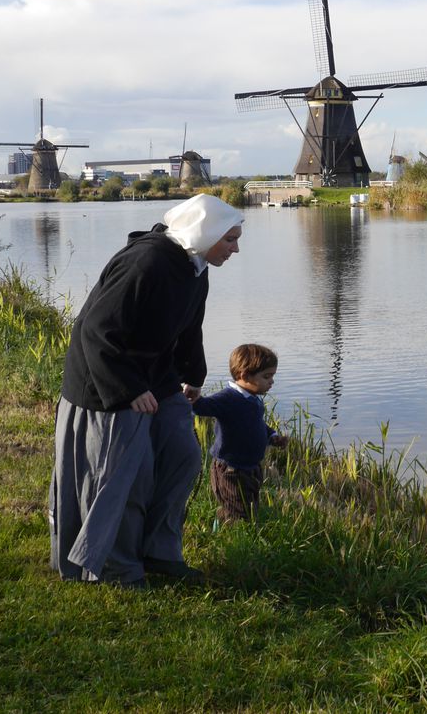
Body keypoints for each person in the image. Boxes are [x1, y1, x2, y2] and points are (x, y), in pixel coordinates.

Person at [49, 193, 244, 587]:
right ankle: (115, 566)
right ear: (204, 233)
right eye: (230, 239)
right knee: (128, 472)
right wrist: (127, 389)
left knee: (184, 455)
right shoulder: (147, 262)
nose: (235, 248)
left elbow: (188, 329)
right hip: (106, 382)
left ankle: (159, 551)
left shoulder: (195, 266)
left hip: (156, 377)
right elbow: (95, 330)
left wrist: (193, 376)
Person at [192, 343, 287, 524]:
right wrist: (192, 396)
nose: (271, 382)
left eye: (272, 376)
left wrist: (272, 437)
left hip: (251, 468)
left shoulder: (253, 400)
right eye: (267, 376)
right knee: (237, 513)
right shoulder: (228, 398)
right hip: (231, 470)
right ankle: (231, 541)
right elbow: (201, 407)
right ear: (244, 376)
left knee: (248, 508)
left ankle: (228, 529)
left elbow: (256, 425)